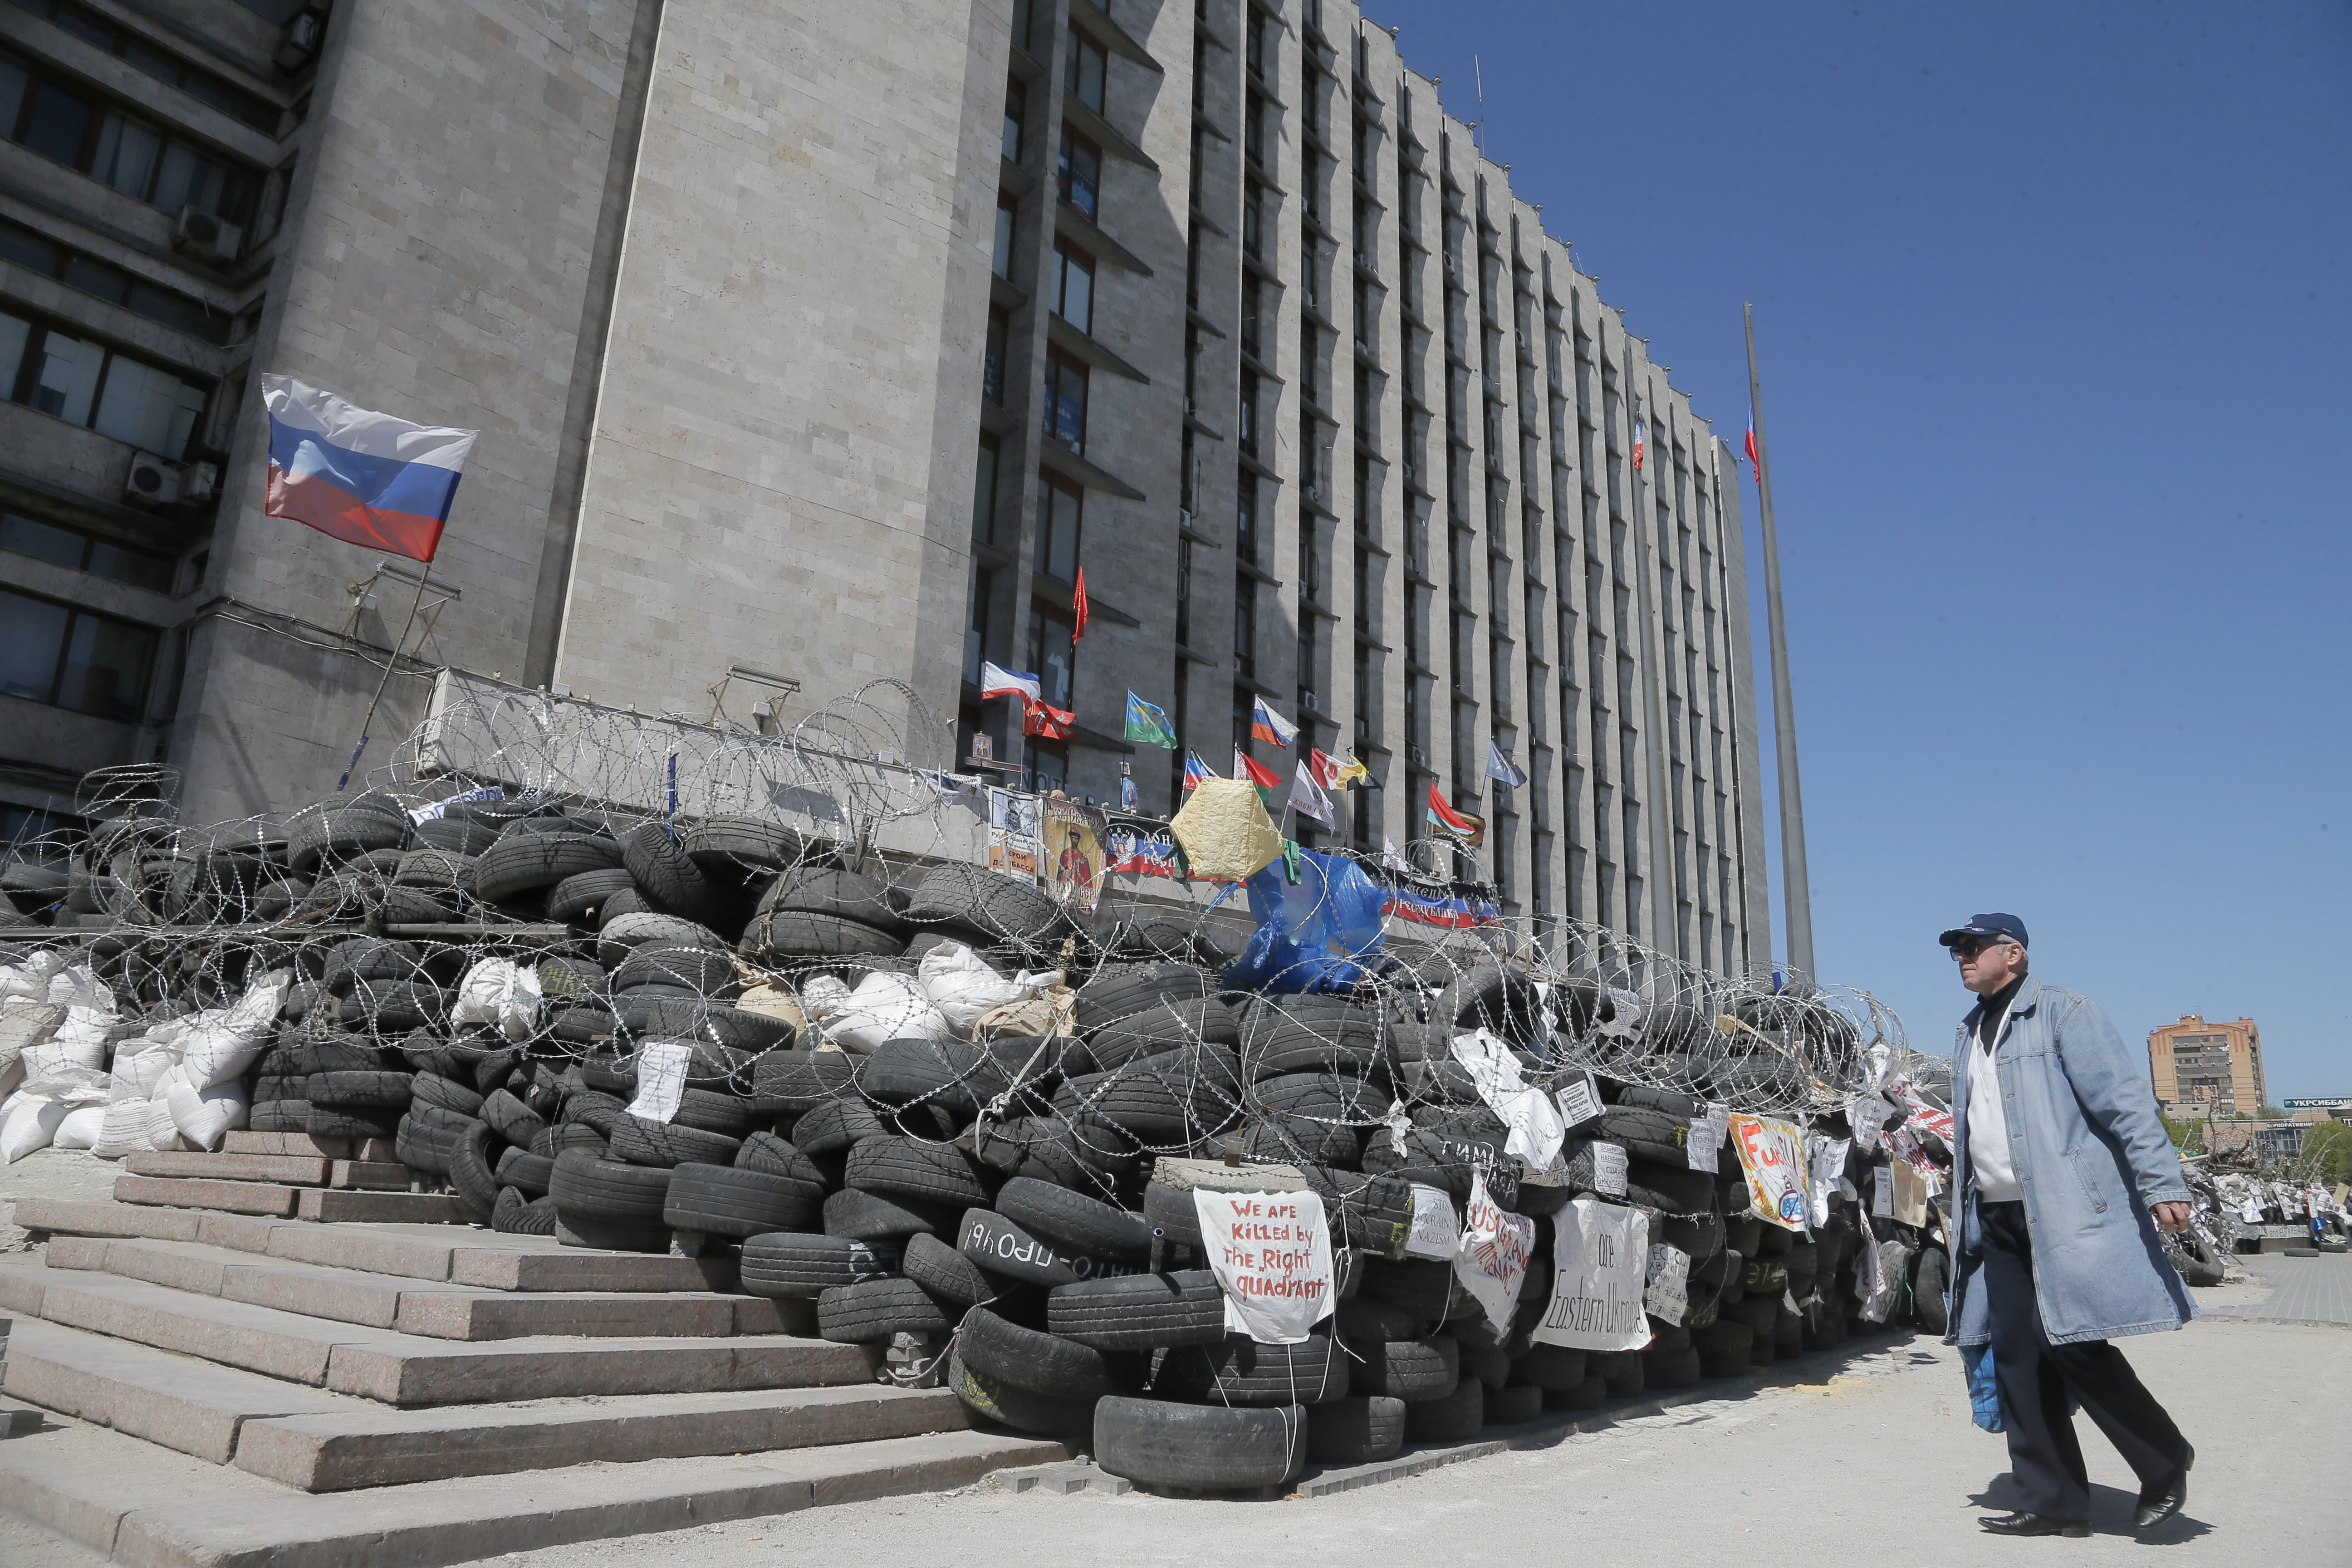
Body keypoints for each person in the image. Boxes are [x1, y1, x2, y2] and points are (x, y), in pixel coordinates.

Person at [1940, 913, 2198, 1537]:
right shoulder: (1970, 1029)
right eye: (1957, 951)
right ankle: (2051, 1499)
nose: (1962, 958)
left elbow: (2124, 1100)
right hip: (1995, 1217)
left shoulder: (2063, 1013)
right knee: (2018, 1356)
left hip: (2059, 1208)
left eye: (1974, 948)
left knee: (2073, 1341)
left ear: (2015, 955)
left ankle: (2165, 1458)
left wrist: (2162, 1181)